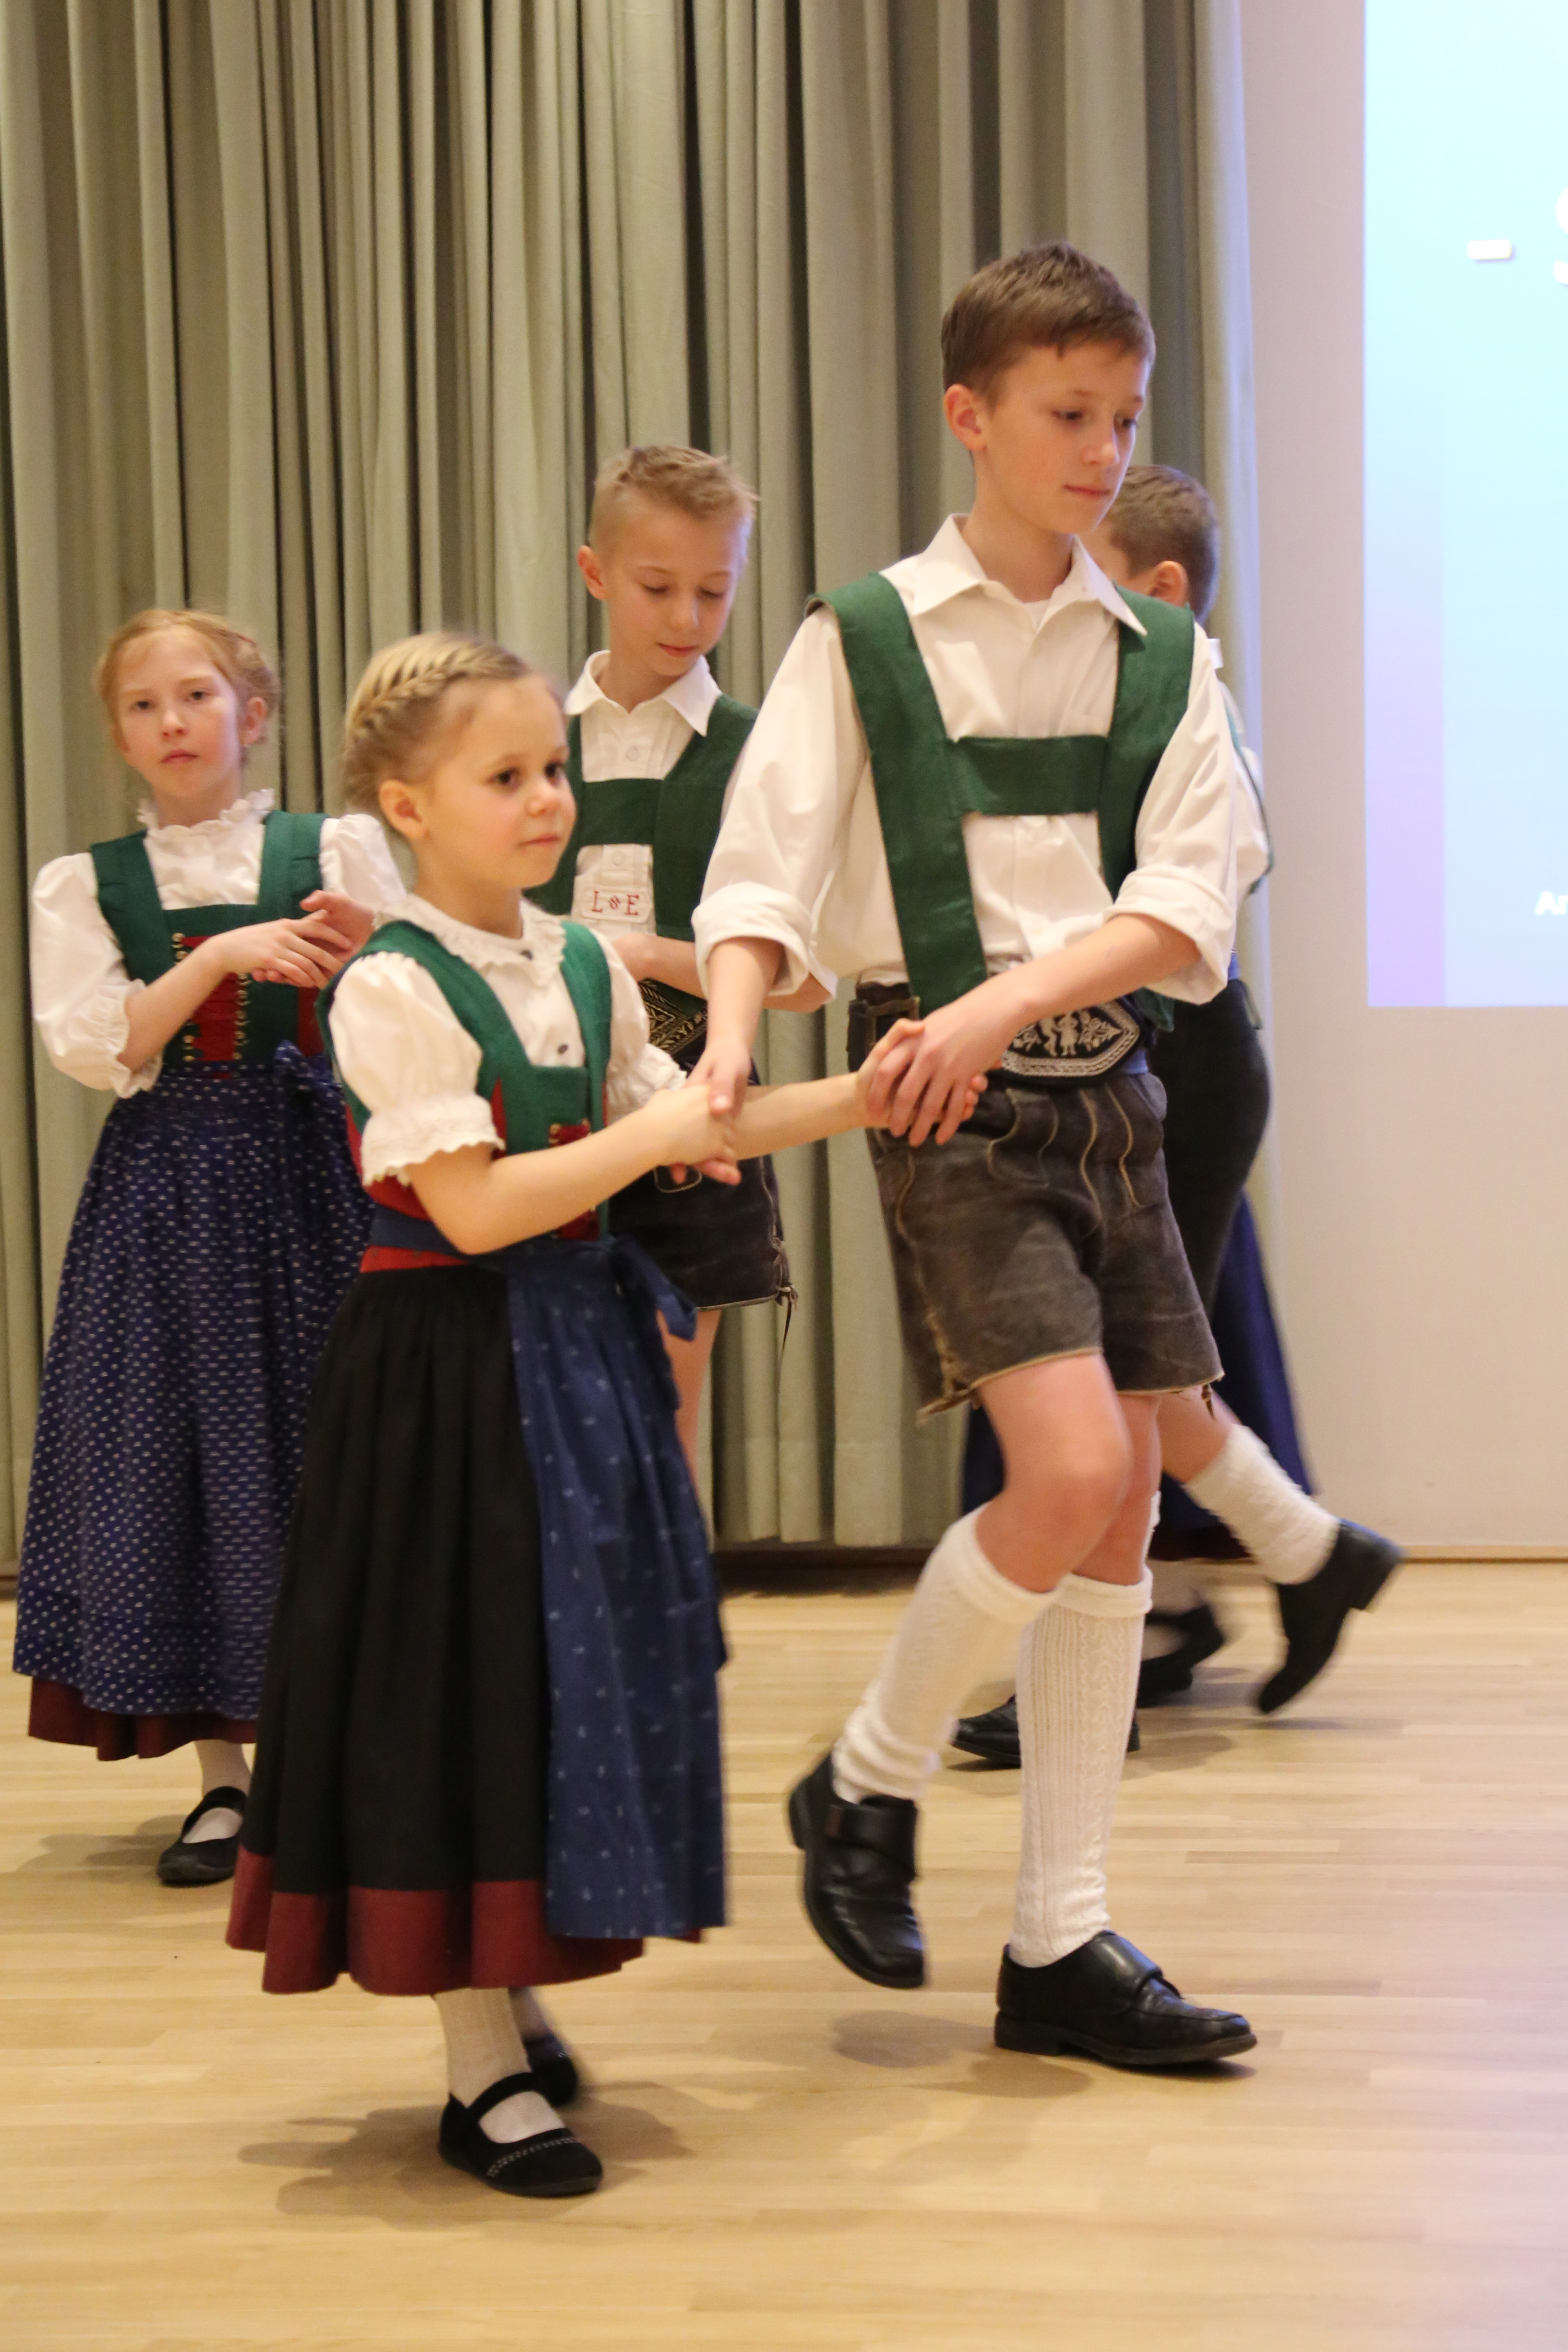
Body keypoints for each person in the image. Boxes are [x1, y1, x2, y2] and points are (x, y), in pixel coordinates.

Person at [227, 631, 948, 2200]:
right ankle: (478, 2067)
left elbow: (694, 1122)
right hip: (442, 1374)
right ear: (407, 809)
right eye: (506, 777)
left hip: (573, 1357)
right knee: (461, 1690)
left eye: (550, 768)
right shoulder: (390, 989)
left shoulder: (578, 965)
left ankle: (511, 1995)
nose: (545, 798)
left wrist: (856, 1094)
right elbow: (477, 1211)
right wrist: (659, 1140)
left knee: (559, 1683)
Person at [693, 242, 1275, 2066]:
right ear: (970, 417)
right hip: (945, 1110)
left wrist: (1009, 999)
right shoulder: (858, 636)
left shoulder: (1161, 654)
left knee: (1112, 1504)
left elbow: (1189, 899)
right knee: (1073, 1456)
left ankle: (1058, 1936)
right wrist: (723, 1026)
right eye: (1064, 415)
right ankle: (860, 1779)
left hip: (1111, 1095)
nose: (1102, 450)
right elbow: (762, 869)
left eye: (1121, 416)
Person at [954, 467, 1403, 1763]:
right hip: (1119, 1067)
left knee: (1117, 1377)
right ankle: (1294, 1559)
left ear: (1153, 593)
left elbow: (1183, 907)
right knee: (1127, 1368)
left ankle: (1122, 1640)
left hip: (1180, 1067)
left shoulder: (1188, 709)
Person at [15, 609, 399, 1886]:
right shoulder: (86, 884)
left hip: (315, 1176)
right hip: (168, 1189)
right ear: (118, 731)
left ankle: (340, 1752)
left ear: (254, 710)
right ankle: (223, 1779)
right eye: (144, 705)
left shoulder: (331, 846)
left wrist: (366, 961)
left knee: (329, 1452)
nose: (173, 723)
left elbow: (416, 989)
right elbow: (102, 1044)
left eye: (197, 695)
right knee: (189, 1462)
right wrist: (224, 951)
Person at [530, 446, 822, 1475]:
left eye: (715, 590)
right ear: (594, 572)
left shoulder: (760, 748)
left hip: (695, 1091)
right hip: (543, 1106)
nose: (687, 619)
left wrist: (647, 952)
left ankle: (660, 1620)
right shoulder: (532, 740)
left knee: (664, 1386)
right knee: (543, 1387)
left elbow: (810, 973)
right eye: (658, 588)